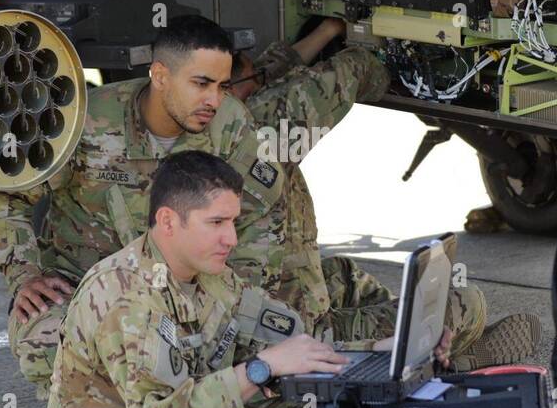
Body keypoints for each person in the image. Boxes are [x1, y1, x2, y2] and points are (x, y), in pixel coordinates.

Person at [33, 151, 455, 408]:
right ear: (168, 221)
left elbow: (293, 342)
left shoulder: (210, 274)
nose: (231, 238)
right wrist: (259, 370)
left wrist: (379, 349)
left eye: (233, 222)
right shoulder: (124, 297)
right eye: (217, 223)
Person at [0, 15, 287, 393]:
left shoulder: (229, 125)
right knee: (44, 342)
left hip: (190, 288)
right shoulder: (84, 123)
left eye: (222, 85)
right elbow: (4, 194)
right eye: (201, 84)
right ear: (160, 75)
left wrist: (237, 300)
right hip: (88, 287)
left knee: (269, 347)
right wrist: (24, 274)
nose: (214, 100)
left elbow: (261, 215)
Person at [231, 18, 540, 371]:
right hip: (296, 332)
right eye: (254, 80)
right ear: (226, 91)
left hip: (286, 295)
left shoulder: (214, 121)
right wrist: (390, 49)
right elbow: (353, 71)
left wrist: (331, 29)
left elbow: (267, 73)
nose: (263, 82)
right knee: (466, 304)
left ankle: (420, 344)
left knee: (342, 275)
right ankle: (431, 361)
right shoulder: (258, 133)